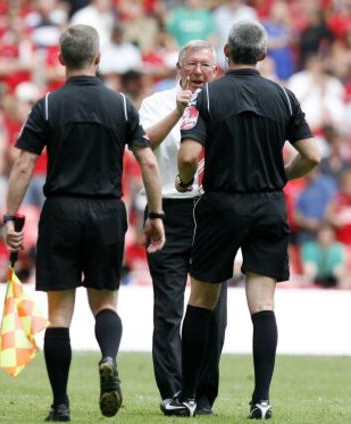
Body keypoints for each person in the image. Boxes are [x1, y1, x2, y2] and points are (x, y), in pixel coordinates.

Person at [4, 24, 165, 422]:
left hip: (61, 211)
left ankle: (60, 405)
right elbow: (146, 161)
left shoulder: (47, 106)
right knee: (105, 303)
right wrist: (156, 213)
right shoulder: (122, 105)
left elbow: (24, 163)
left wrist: (11, 215)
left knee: (59, 314)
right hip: (107, 212)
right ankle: (108, 357)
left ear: (60, 60)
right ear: (98, 58)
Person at [169, 20, 320, 419]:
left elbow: (187, 156)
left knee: (201, 300)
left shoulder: (207, 97)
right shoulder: (285, 98)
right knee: (263, 304)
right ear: (263, 55)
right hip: (269, 206)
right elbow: (313, 155)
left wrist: (185, 183)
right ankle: (261, 399)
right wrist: (279, 176)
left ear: (227, 55)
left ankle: (186, 395)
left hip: (221, 204)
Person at [139, 40, 228, 416]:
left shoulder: (225, 102)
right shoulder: (157, 103)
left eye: (204, 64)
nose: (197, 70)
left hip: (211, 209)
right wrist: (178, 112)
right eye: (190, 63)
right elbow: (142, 144)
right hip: (167, 211)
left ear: (216, 71)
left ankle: (204, 393)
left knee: (213, 308)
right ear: (178, 67)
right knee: (169, 308)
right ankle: (174, 392)